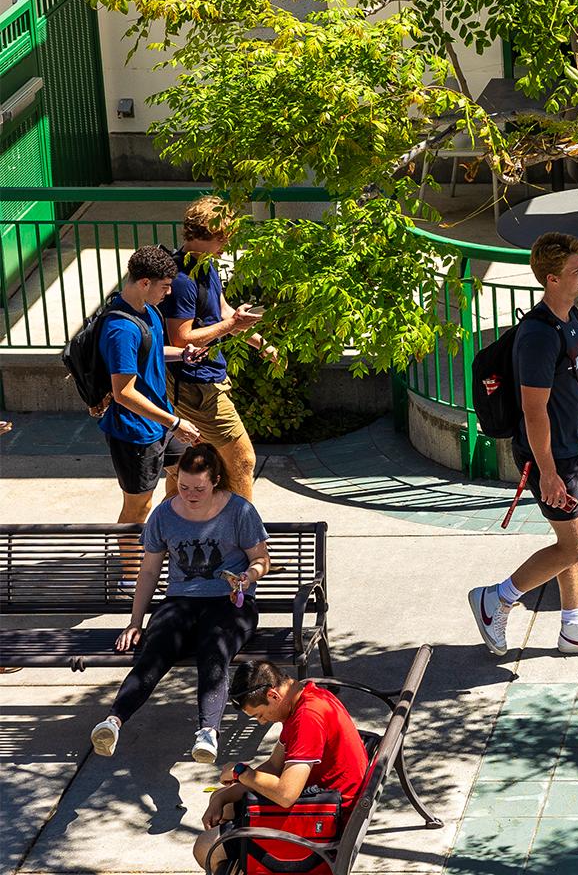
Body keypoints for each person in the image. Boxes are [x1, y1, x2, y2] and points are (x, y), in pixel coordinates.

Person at [468, 231, 578, 657]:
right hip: (549, 457)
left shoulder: (570, 318)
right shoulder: (538, 335)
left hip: (575, 448)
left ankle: (574, 628)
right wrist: (549, 474)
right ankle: (497, 598)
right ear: (550, 279)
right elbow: (533, 410)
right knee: (574, 545)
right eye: (576, 270)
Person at [90, 444, 269, 763]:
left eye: (198, 487)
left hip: (229, 602)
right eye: (184, 486)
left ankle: (208, 733)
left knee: (214, 649)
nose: (190, 494)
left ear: (215, 480)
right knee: (154, 650)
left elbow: (261, 559)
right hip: (180, 602)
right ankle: (113, 722)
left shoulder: (239, 511)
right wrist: (135, 622)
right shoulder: (164, 515)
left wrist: (246, 577)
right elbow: (148, 570)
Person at [193, 659, 370, 874]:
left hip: (325, 827)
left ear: (273, 696)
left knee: (204, 847)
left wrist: (241, 772)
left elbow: (286, 794)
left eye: (259, 714)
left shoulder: (307, 718)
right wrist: (222, 796)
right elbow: (274, 766)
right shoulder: (305, 696)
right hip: (325, 806)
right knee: (226, 803)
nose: (261, 722)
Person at [100, 246, 204, 580]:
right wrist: (174, 422)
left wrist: (182, 354)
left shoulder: (149, 312)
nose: (169, 292)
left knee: (192, 475)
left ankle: (175, 548)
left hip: (160, 422)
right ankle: (133, 577)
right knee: (137, 507)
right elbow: (123, 392)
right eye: (165, 286)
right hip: (134, 431)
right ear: (145, 282)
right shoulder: (121, 329)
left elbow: (150, 349)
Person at [160, 196, 273, 502]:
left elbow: (222, 311)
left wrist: (261, 343)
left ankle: (169, 534)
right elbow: (182, 339)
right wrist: (233, 324)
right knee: (242, 461)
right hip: (197, 386)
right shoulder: (182, 281)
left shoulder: (205, 265)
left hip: (203, 381)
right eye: (222, 238)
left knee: (187, 469)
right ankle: (248, 540)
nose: (226, 245)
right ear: (202, 236)